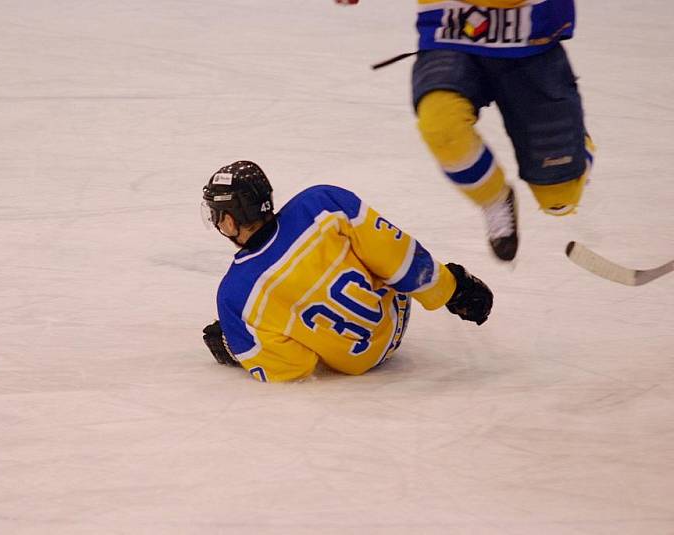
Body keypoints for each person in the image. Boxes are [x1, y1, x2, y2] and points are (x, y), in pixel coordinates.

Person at [335, 0, 595, 261]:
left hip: (532, 37)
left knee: (560, 200)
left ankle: (575, 145)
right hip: (451, 28)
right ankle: (494, 198)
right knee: (441, 127)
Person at [201, 160, 494, 382]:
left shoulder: (234, 296)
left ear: (228, 221)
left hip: (358, 360)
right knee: (368, 245)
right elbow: (393, 253)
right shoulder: (320, 205)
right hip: (397, 316)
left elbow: (291, 366)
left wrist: (234, 345)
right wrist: (451, 287)